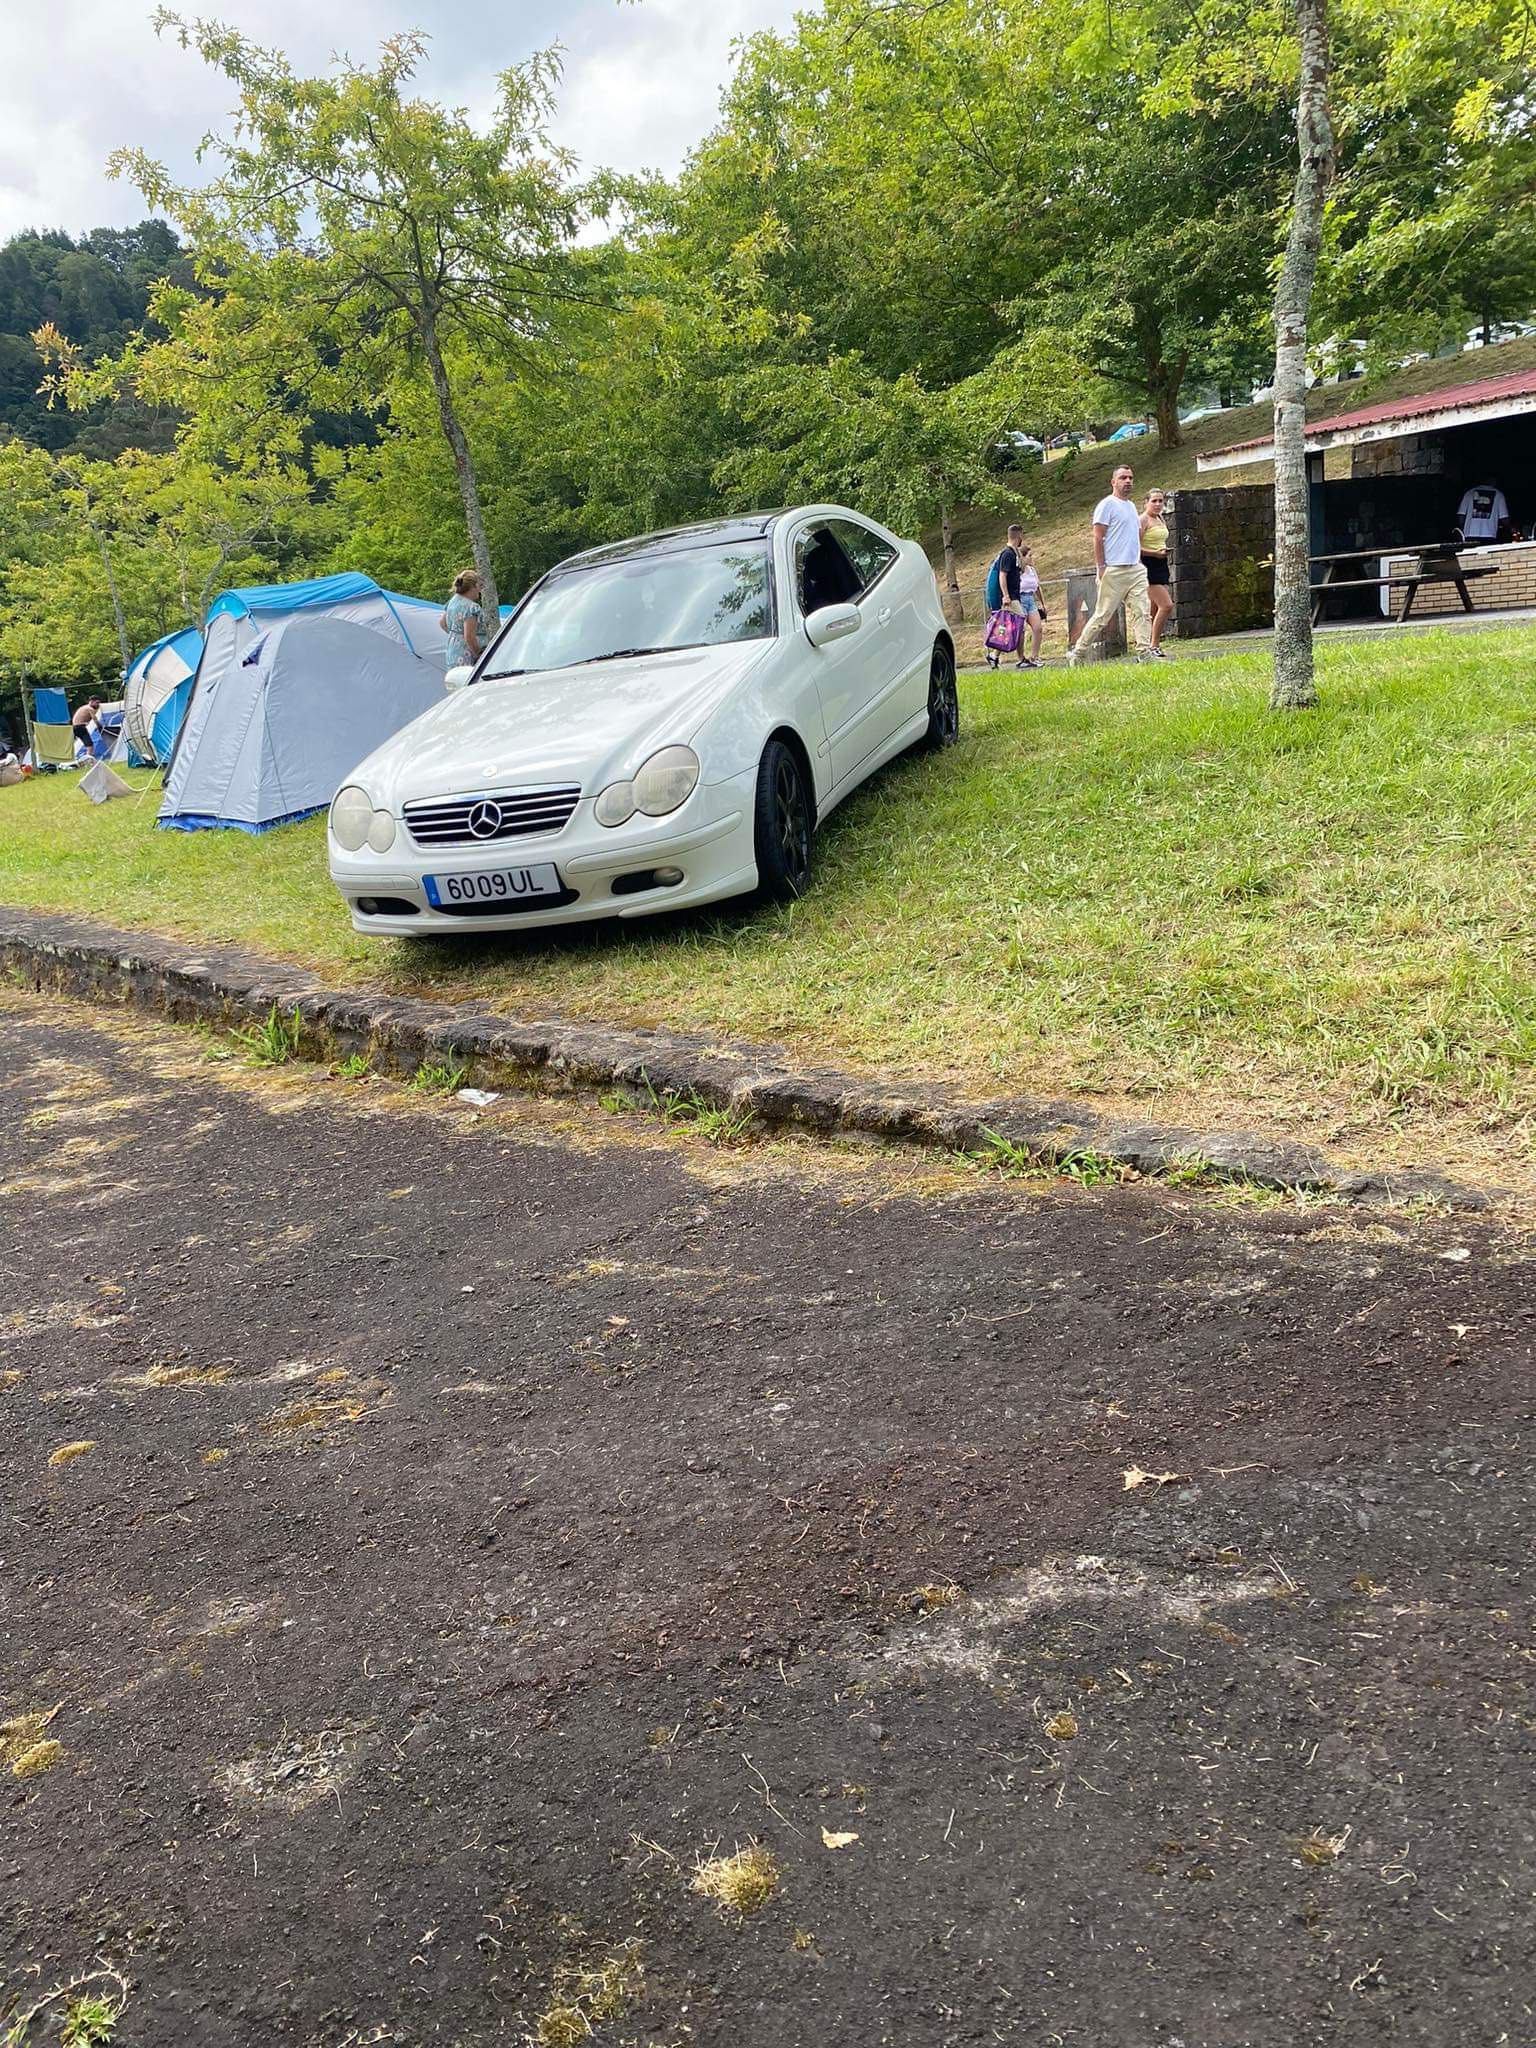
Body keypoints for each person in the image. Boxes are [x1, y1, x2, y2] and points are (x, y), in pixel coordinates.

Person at [1068, 464, 1153, 667]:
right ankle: (1078, 652)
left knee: (1143, 610)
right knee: (1102, 615)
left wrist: (1139, 561)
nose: (1128, 481)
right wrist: (1101, 567)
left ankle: (1144, 652)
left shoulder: (1131, 506)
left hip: (1135, 568)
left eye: (1130, 478)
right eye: (1123, 478)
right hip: (1114, 570)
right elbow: (1098, 538)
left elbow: (1133, 537)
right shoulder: (1106, 505)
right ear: (1113, 482)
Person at [982, 524, 1043, 670]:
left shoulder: (1014, 553)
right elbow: (1002, 576)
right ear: (1019, 536)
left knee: (1009, 627)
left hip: (1016, 596)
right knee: (1018, 624)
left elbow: (1017, 573)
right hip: (1012, 597)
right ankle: (1021, 659)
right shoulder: (1007, 554)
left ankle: (994, 656)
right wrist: (1006, 596)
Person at [1139, 489, 1174, 653]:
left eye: (1161, 501)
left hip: (1161, 563)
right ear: (1146, 502)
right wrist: (1154, 553)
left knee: (1154, 608)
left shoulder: (1160, 518)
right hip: (1148, 565)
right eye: (1154, 501)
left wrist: (1163, 551)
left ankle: (1147, 644)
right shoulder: (1142, 520)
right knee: (1166, 605)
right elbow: (1135, 548)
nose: (1158, 504)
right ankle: (1154, 644)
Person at [441, 570, 486, 673]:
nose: (480, 589)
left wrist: (457, 635)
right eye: (479, 585)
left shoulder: (453, 602)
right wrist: (480, 655)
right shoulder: (471, 607)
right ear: (473, 586)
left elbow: (442, 623)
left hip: (453, 653)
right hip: (467, 657)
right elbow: (469, 637)